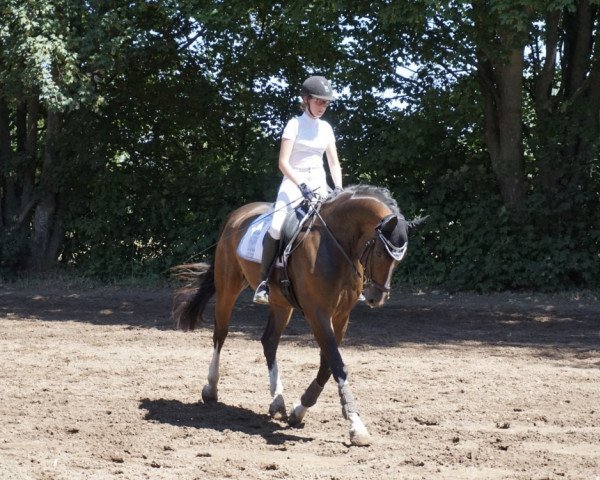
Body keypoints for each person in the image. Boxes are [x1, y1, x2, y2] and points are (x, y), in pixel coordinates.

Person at [253, 75, 343, 304]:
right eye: (319, 102)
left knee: (341, 225)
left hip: (320, 185)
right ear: (306, 100)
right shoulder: (294, 124)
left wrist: (339, 188)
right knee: (275, 227)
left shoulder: (326, 128)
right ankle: (263, 282)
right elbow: (283, 162)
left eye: (326, 103)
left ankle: (349, 280)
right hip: (293, 183)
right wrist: (301, 184)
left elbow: (333, 162)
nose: (323, 107)